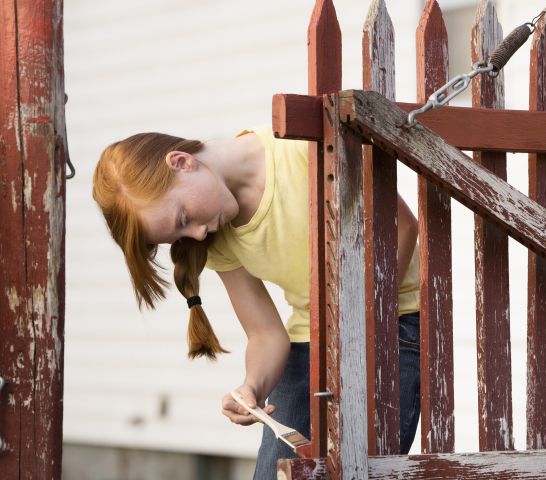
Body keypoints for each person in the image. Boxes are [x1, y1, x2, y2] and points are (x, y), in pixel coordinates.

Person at [92, 126, 421, 478]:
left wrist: (355, 324)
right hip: (312, 335)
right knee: (274, 473)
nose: (198, 234)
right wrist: (252, 386)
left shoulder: (298, 150)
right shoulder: (217, 236)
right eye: (181, 235)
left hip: (391, 325)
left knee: (359, 471)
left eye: (184, 219)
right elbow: (265, 334)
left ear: (182, 162)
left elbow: (401, 228)